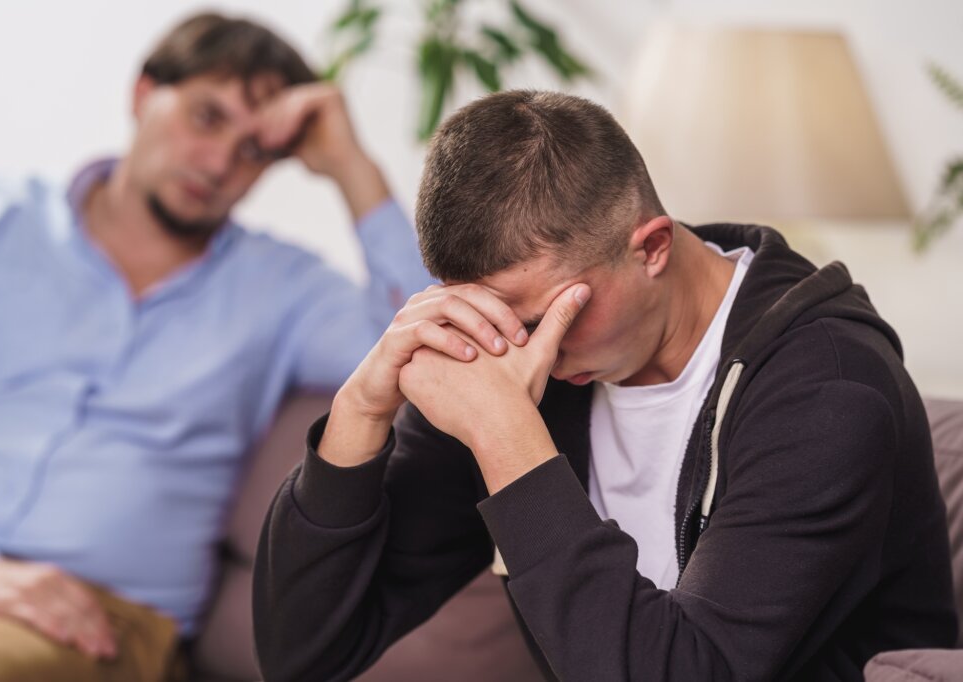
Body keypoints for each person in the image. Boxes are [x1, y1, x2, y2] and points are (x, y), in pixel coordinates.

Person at [253, 90, 959, 681]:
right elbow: (304, 651)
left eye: (548, 315)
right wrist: (361, 411)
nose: (523, 349)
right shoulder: (519, 354)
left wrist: (507, 439)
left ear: (652, 246)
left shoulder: (829, 389)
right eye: (495, 318)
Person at [0, 11, 433, 682]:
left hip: (92, 623)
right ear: (143, 94)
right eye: (206, 117)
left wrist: (351, 165)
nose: (220, 161)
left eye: (255, 148)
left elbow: (441, 344)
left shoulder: (283, 289)